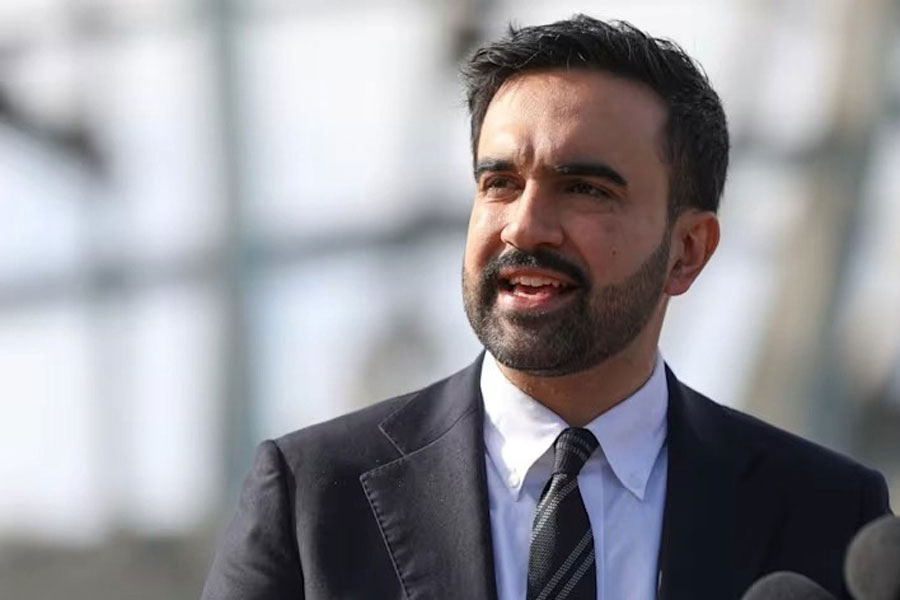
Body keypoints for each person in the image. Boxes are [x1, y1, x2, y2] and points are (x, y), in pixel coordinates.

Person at [201, 15, 890, 600]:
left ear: (687, 251)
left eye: (585, 189)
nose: (525, 227)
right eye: (500, 183)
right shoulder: (312, 501)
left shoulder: (826, 513)